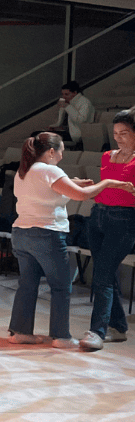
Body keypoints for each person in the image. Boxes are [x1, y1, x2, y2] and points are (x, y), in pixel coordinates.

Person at [8, 132, 133, 349]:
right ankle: (61, 336)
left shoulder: (23, 171)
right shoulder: (50, 170)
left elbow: (52, 192)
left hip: (21, 233)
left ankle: (19, 332)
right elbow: (81, 196)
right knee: (61, 285)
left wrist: (75, 183)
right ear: (50, 152)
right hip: (46, 233)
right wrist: (108, 183)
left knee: (27, 285)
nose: (62, 157)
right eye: (61, 152)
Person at [82, 110, 135, 351]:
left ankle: (97, 331)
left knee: (102, 276)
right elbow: (105, 188)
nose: (119, 138)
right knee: (107, 273)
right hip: (99, 215)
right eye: (116, 133)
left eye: (124, 133)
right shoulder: (106, 156)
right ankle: (119, 328)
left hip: (124, 220)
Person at [49, 81, 95, 147]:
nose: (64, 97)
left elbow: (80, 120)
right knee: (40, 135)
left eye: (66, 94)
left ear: (75, 93)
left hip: (78, 135)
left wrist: (67, 106)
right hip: (71, 132)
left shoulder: (85, 103)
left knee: (40, 136)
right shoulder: (71, 102)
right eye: (63, 94)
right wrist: (56, 126)